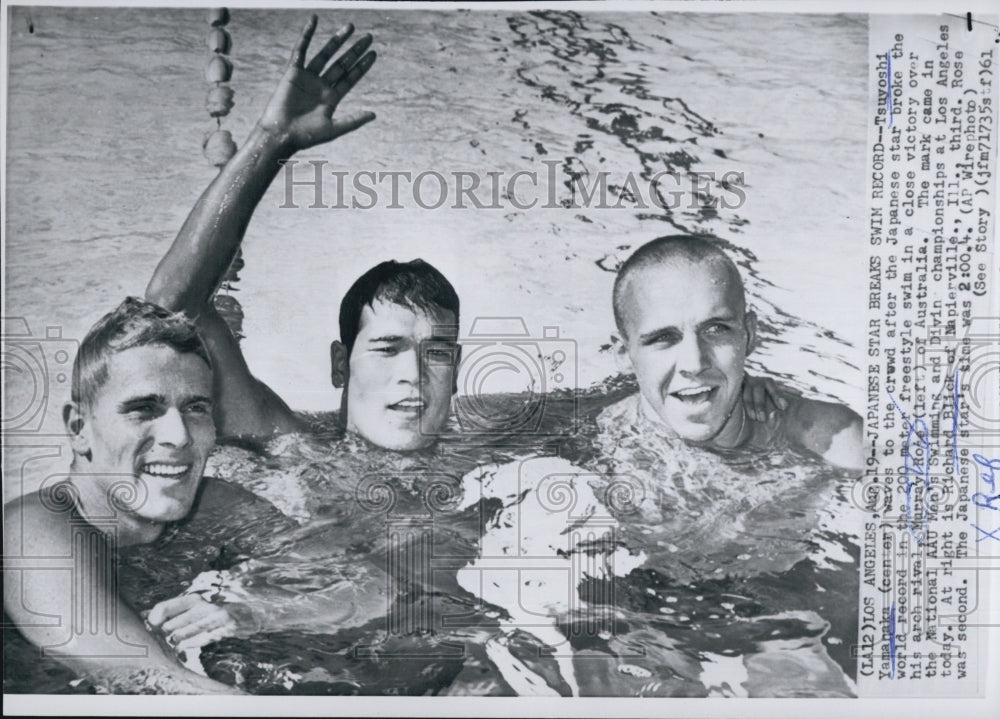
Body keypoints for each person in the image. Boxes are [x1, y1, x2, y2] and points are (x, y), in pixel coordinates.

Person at [146, 16, 460, 452]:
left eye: (438, 352)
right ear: (340, 365)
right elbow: (172, 305)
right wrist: (273, 139)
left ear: (458, 372)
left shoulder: (505, 457)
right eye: (388, 348)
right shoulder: (293, 454)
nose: (414, 374)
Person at [3, 298, 242, 693]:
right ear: (79, 428)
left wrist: (257, 611)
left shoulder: (213, 509)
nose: (179, 436)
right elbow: (147, 678)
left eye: (196, 408)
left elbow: (366, 587)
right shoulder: (34, 528)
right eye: (143, 409)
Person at [609, 234, 862, 469]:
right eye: (663, 338)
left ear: (749, 335)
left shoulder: (832, 439)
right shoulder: (592, 448)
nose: (695, 363)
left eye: (716, 329)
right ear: (623, 355)